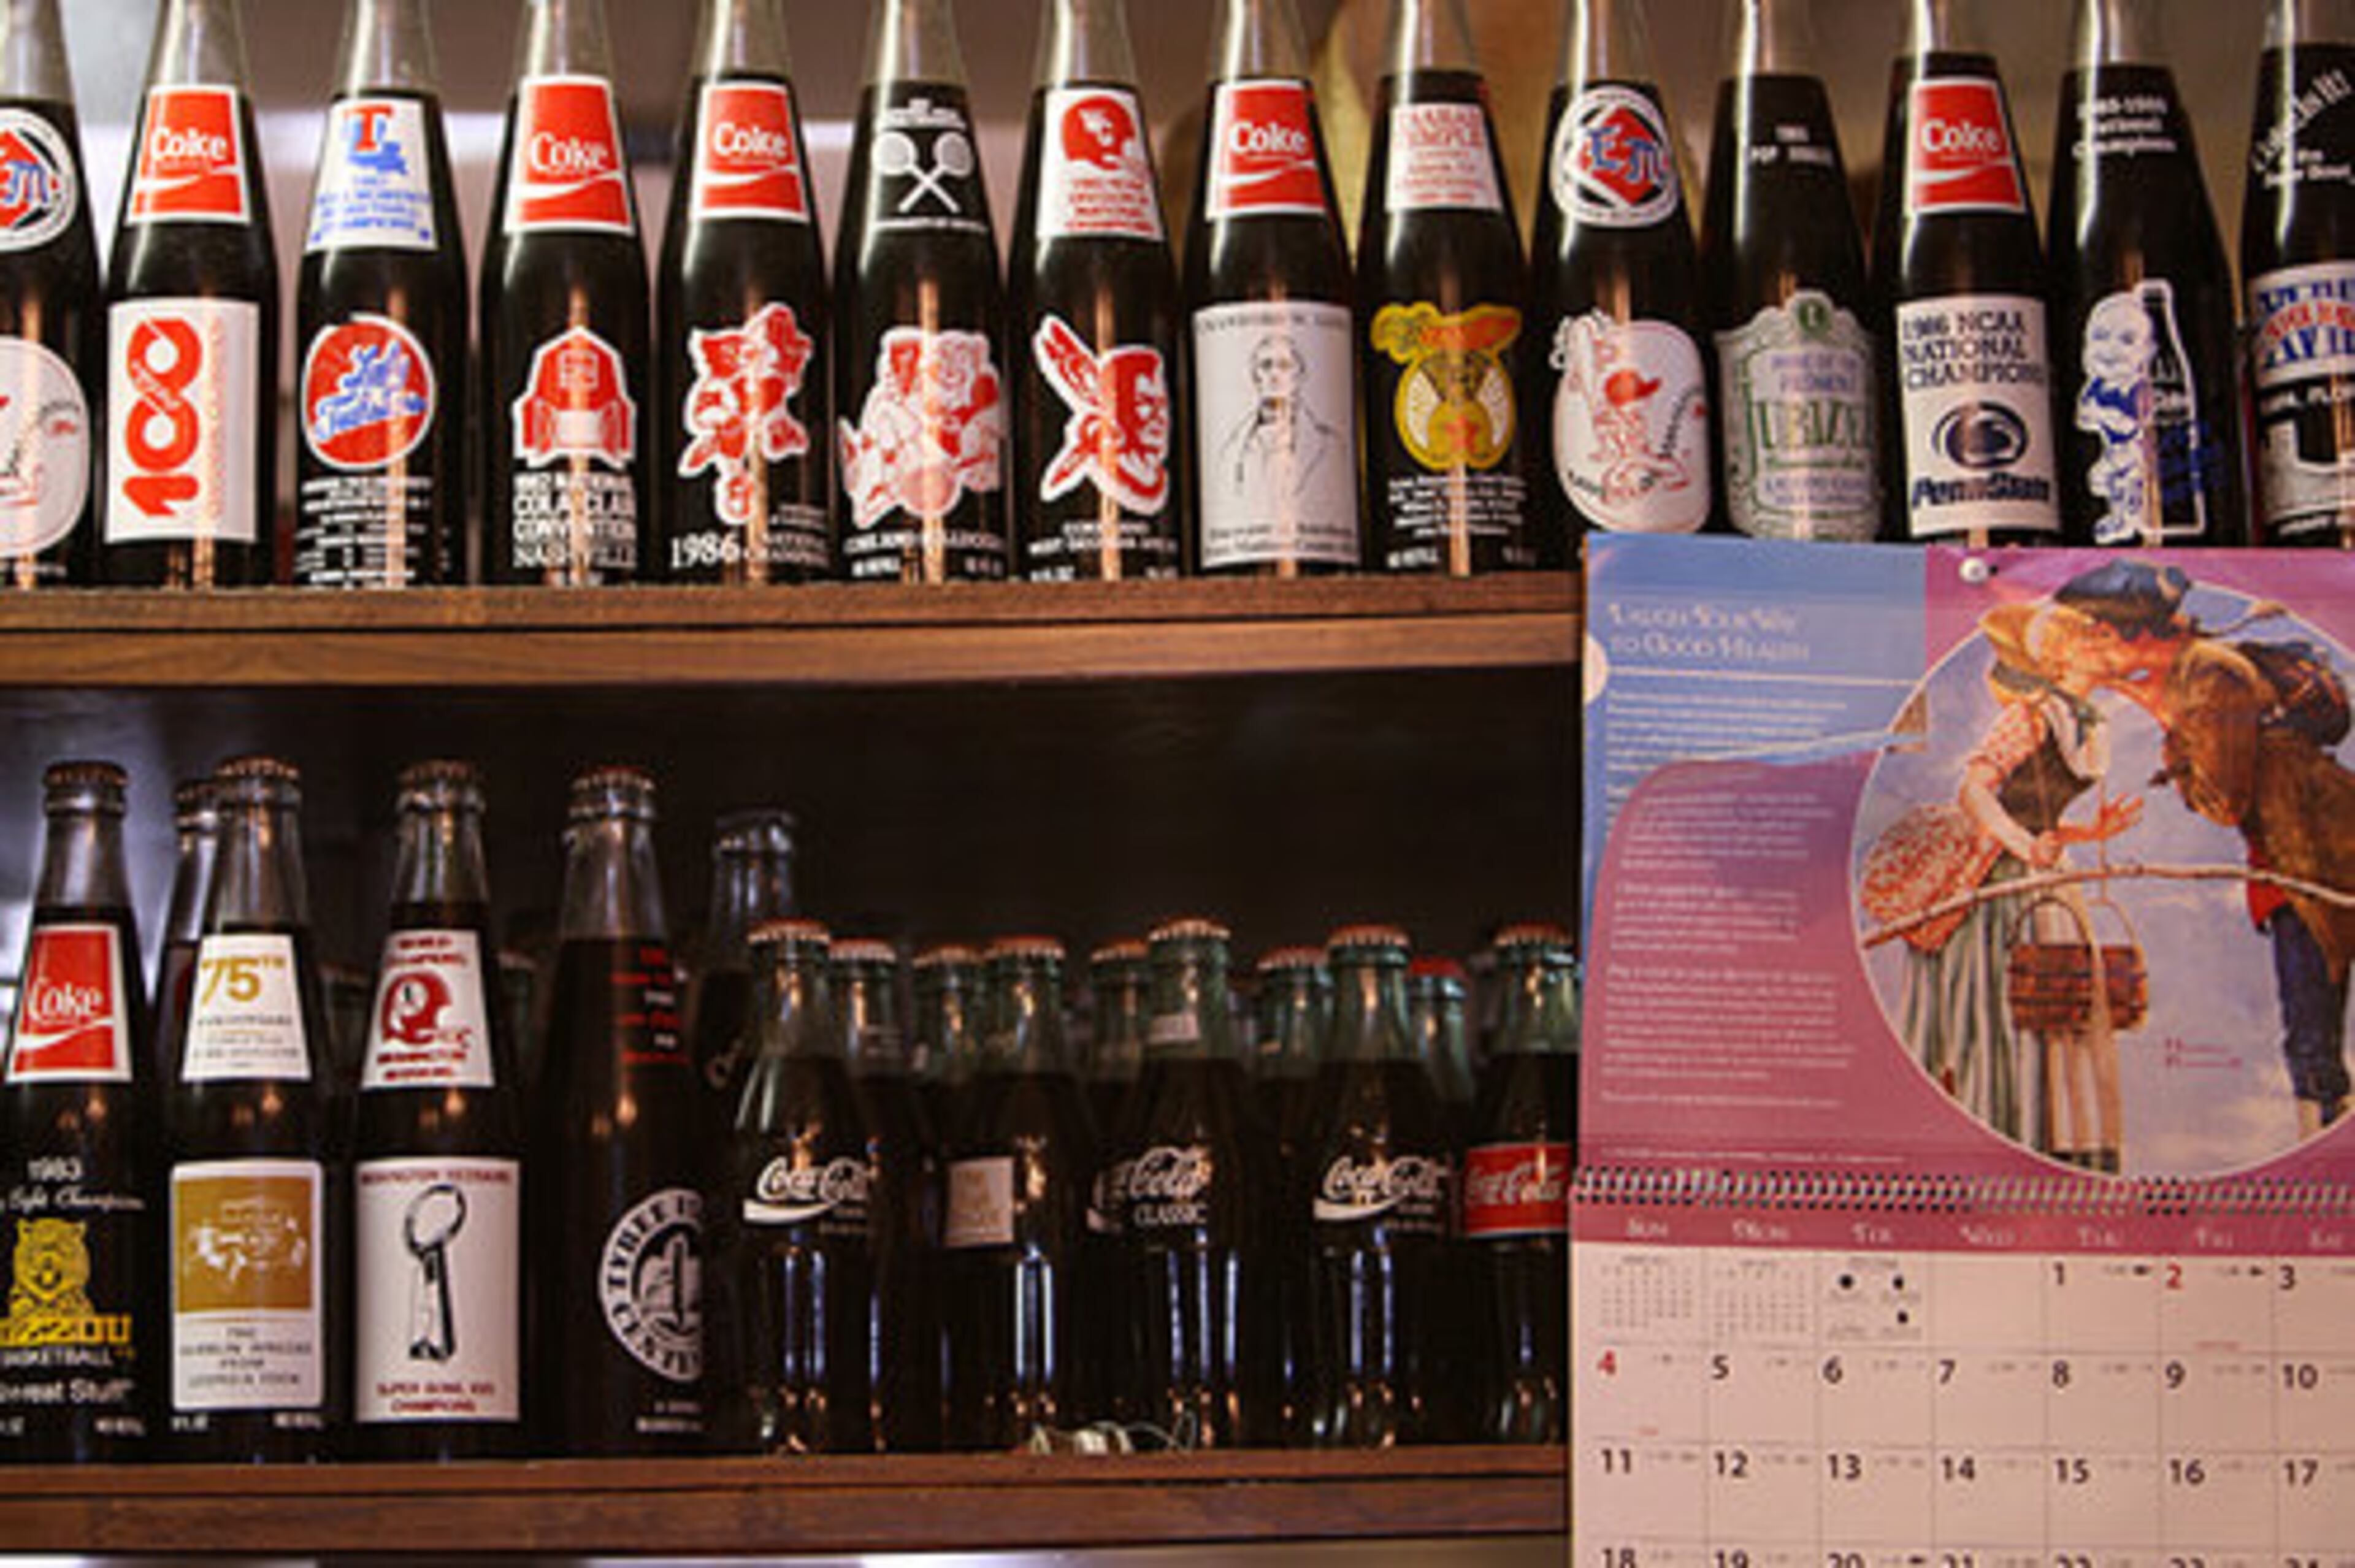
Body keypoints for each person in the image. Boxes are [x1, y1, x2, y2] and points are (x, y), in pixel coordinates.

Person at [2060, 560, 2355, 1138]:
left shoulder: (2207, 677)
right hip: (2307, 849)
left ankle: (2322, 1158)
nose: (2092, 642)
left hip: (2309, 860)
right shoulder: (2201, 669)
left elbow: (2222, 799)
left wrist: (2174, 750)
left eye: (2098, 628)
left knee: (2311, 1037)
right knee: (2312, 1029)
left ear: (2137, 631)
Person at [1864, 599, 2142, 1161]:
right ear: (2062, 655)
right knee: (2004, 1013)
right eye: (2092, 638)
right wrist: (2024, 845)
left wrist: (2089, 832)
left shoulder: (2088, 724)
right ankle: (2006, 1144)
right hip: (1994, 880)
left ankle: (2068, 1148)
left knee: (2062, 1004)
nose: (2106, 646)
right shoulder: (2031, 715)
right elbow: (1975, 792)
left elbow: (2038, 813)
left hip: (2043, 875)